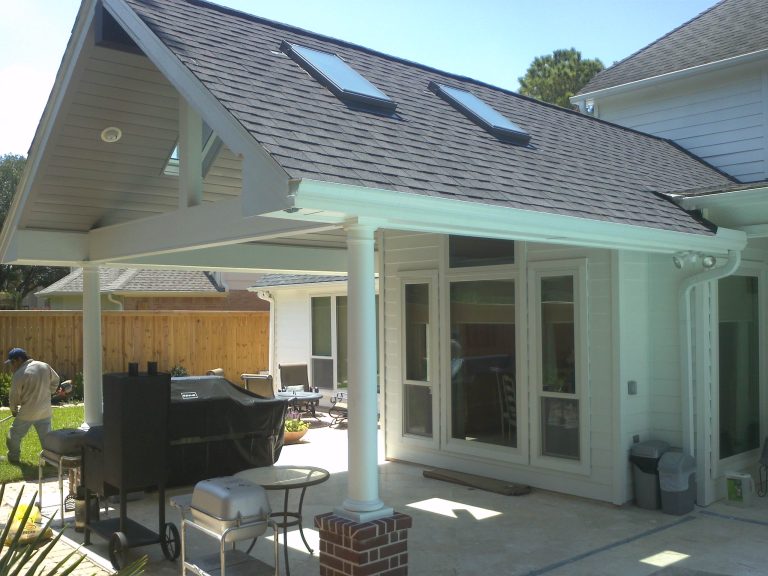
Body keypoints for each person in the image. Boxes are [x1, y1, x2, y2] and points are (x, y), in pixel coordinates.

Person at [4, 348, 61, 464]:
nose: (12, 366)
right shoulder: (44, 366)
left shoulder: (19, 374)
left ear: (19, 359)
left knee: (13, 435)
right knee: (46, 438)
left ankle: (13, 458)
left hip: (27, 413)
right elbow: (56, 380)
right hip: (45, 411)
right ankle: (50, 461)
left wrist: (14, 411)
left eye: (13, 362)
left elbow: (13, 396)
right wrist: (50, 391)